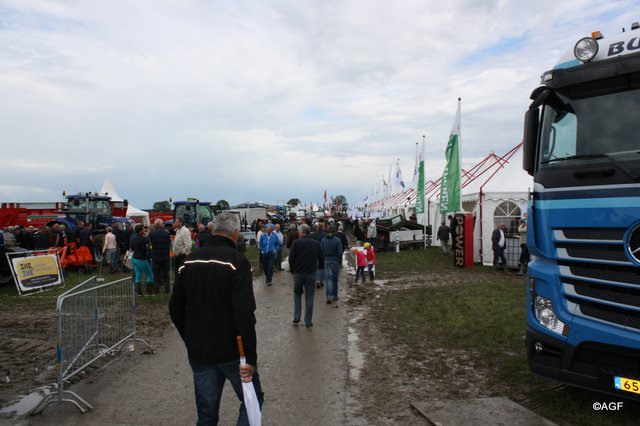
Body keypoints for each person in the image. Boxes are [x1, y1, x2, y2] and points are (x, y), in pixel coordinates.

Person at [169, 213, 263, 425]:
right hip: (232, 350)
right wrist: (251, 358)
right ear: (235, 234)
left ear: (212, 231)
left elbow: (175, 307)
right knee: (253, 400)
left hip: (200, 350)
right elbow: (245, 312)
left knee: (207, 416)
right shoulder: (237, 261)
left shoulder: (189, 260)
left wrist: (190, 337)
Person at [288, 224, 324, 327]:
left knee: (297, 295)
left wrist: (293, 270)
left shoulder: (296, 243)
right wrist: (320, 267)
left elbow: (291, 259)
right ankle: (308, 321)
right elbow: (321, 258)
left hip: (298, 273)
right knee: (309, 297)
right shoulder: (315, 243)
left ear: (301, 232)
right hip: (311, 273)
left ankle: (297, 317)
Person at [321, 225, 343, 304]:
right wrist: (340, 262)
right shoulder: (337, 240)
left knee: (329, 279)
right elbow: (340, 253)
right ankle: (335, 296)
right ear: (335, 231)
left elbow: (321, 251)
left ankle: (328, 296)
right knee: (335, 279)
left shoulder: (323, 240)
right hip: (335, 261)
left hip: (326, 261)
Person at [130, 224, 154, 295]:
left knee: (138, 275)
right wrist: (148, 247)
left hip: (134, 258)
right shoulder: (143, 239)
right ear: (140, 231)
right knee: (149, 274)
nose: (144, 230)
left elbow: (132, 248)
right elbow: (145, 249)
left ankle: (138, 292)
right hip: (141, 259)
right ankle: (149, 291)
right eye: (143, 229)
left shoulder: (133, 237)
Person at [149, 219, 171, 293]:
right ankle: (167, 288)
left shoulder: (152, 234)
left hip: (156, 256)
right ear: (161, 225)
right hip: (165, 255)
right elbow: (169, 244)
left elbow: (151, 244)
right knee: (165, 272)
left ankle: (156, 289)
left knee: (156, 273)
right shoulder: (166, 233)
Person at [310, 223, 328, 288]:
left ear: (317, 227)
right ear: (323, 227)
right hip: (323, 252)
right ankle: (321, 280)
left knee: (316, 265)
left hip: (314, 252)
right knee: (322, 266)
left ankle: (317, 279)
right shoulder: (326, 234)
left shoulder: (313, 234)